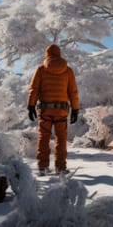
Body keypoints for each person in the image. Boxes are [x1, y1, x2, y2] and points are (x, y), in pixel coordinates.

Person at [27, 44, 80, 176]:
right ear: (59, 54)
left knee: (43, 138)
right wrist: (75, 109)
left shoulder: (40, 70)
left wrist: (31, 106)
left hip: (45, 111)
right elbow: (73, 92)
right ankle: (60, 168)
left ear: (47, 54)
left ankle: (42, 167)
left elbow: (34, 89)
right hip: (61, 111)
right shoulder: (68, 71)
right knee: (61, 139)